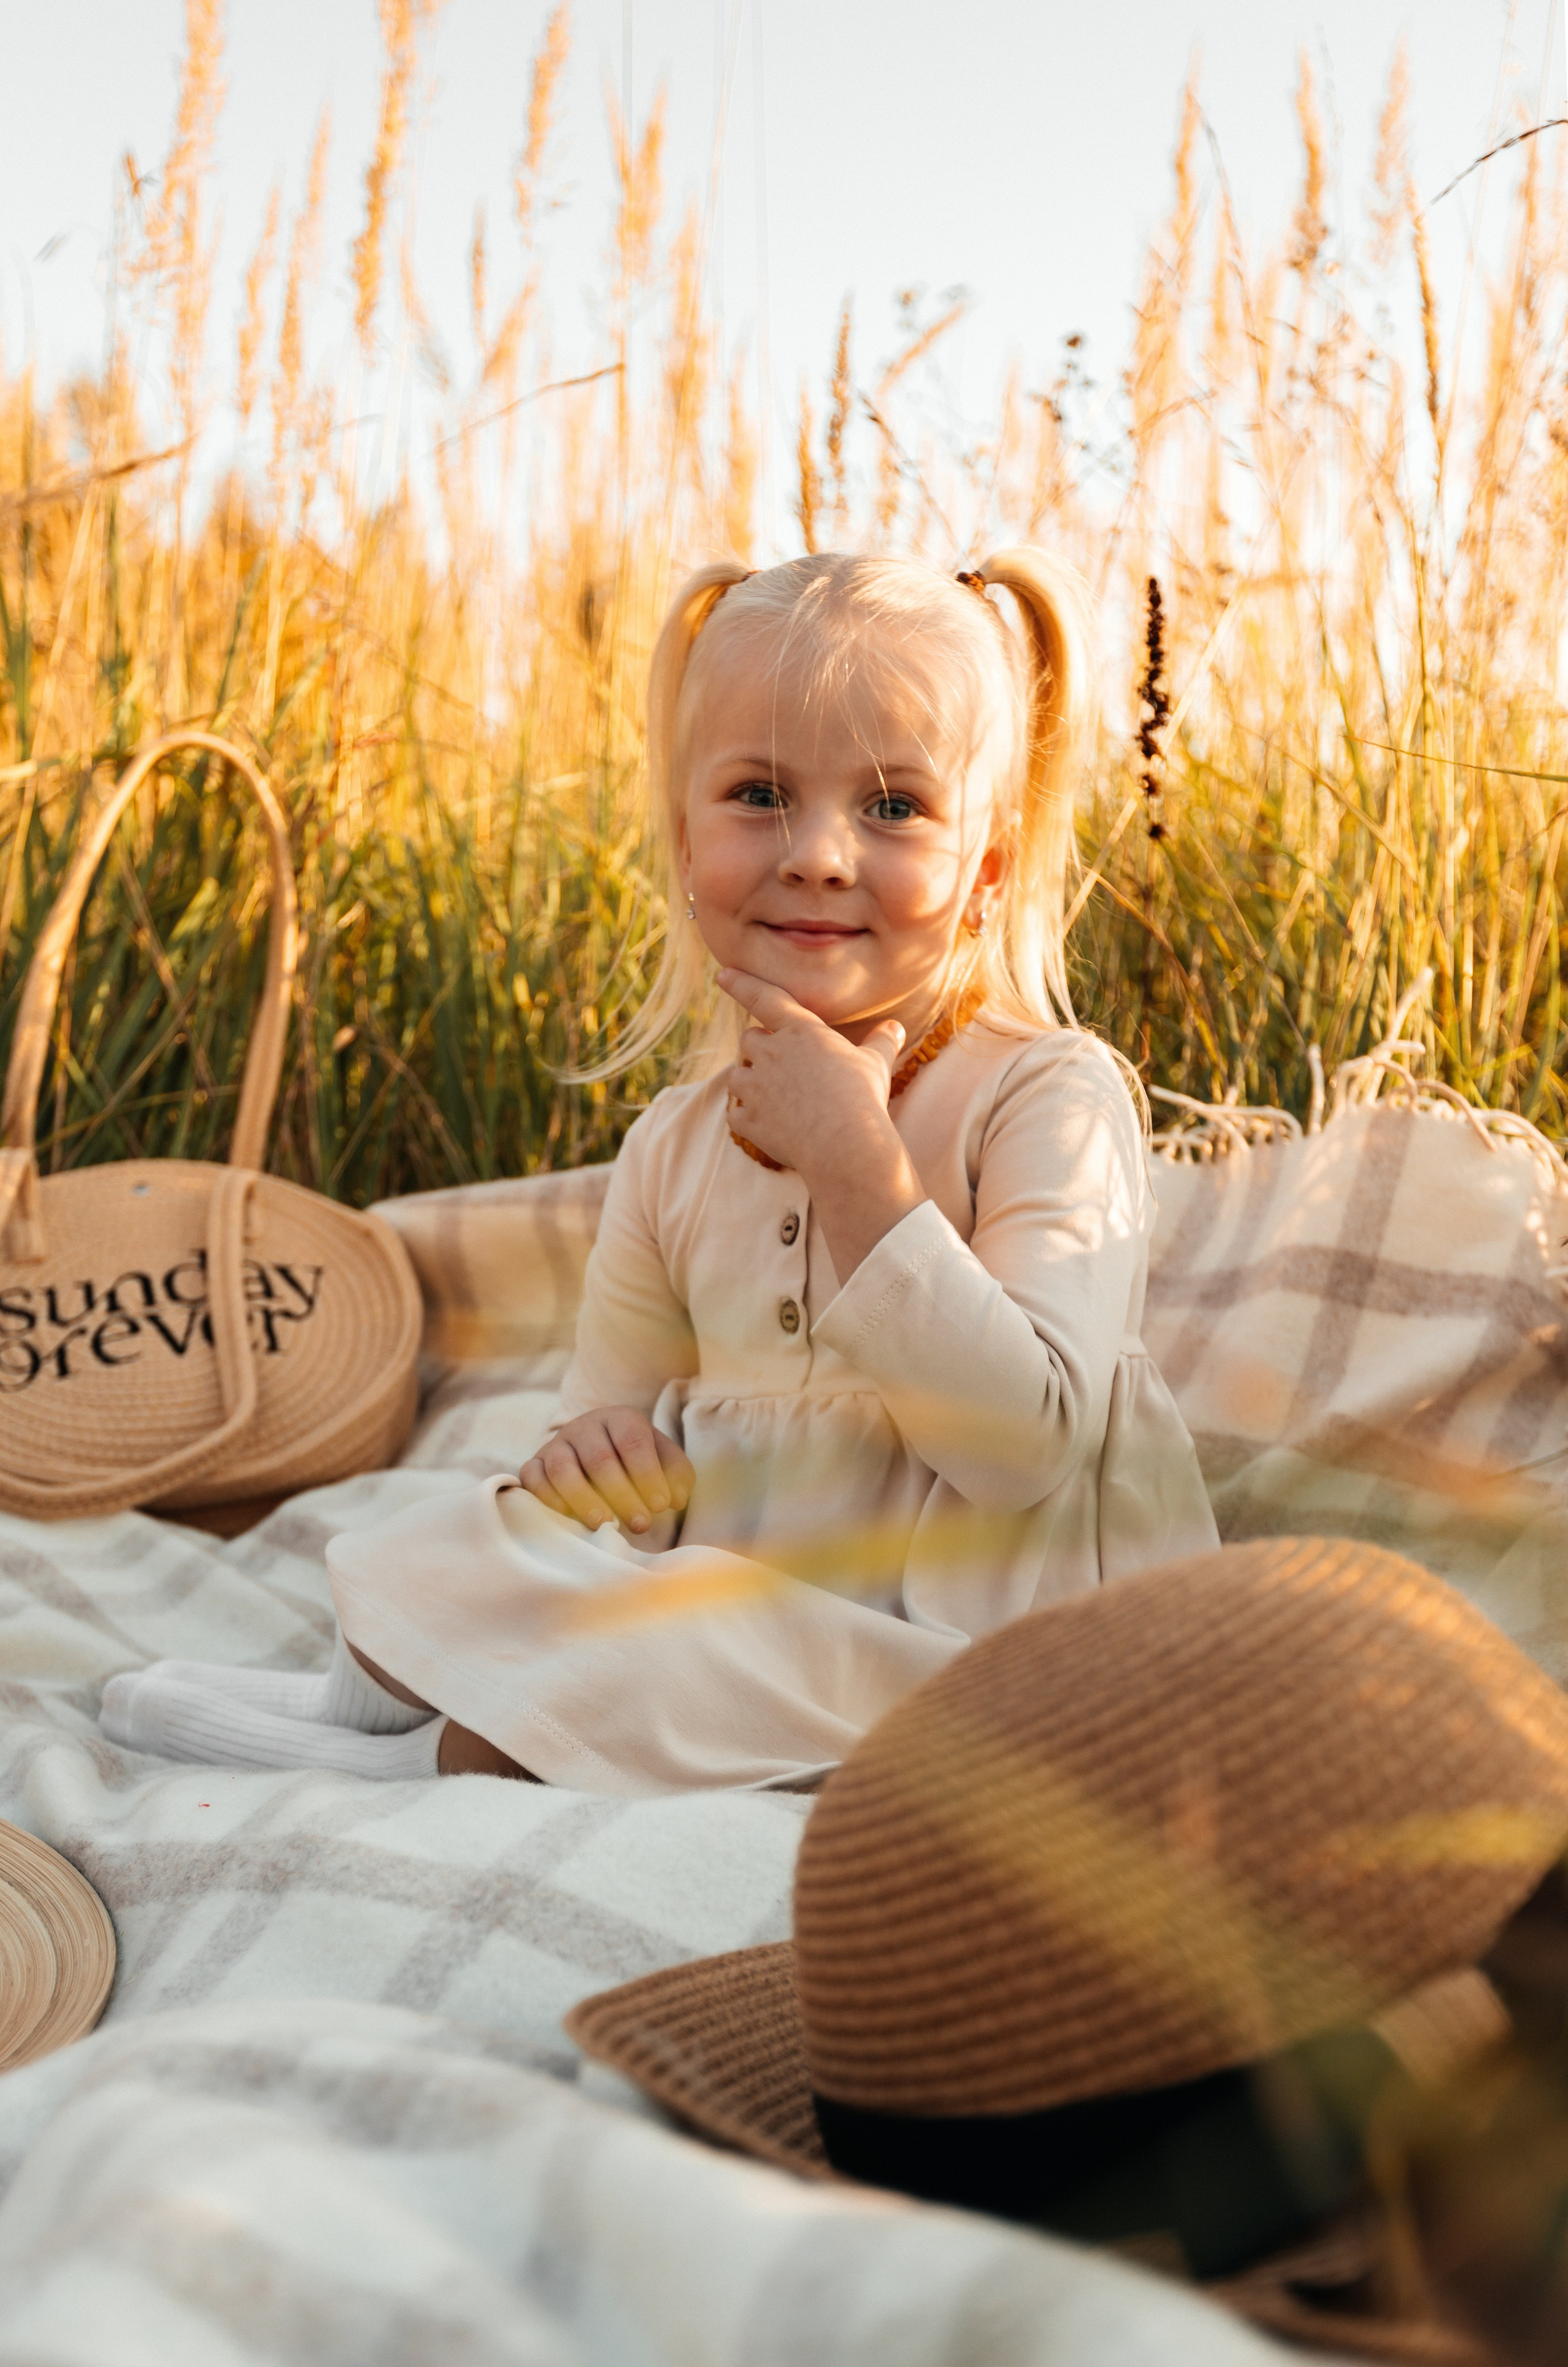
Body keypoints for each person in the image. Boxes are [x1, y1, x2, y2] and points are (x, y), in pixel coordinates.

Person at [102, 550, 1218, 1793]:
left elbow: (1025, 1449)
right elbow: (605, 1438)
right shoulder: (674, 1145)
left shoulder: (1044, 1093)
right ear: (683, 842)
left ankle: (393, 1759)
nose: (819, 856)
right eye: (758, 795)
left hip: (972, 1667)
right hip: (728, 1619)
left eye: (894, 808)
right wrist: (593, 1465)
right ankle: (356, 1707)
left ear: (985, 873)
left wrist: (858, 1166)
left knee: (619, 1678)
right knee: (452, 1535)